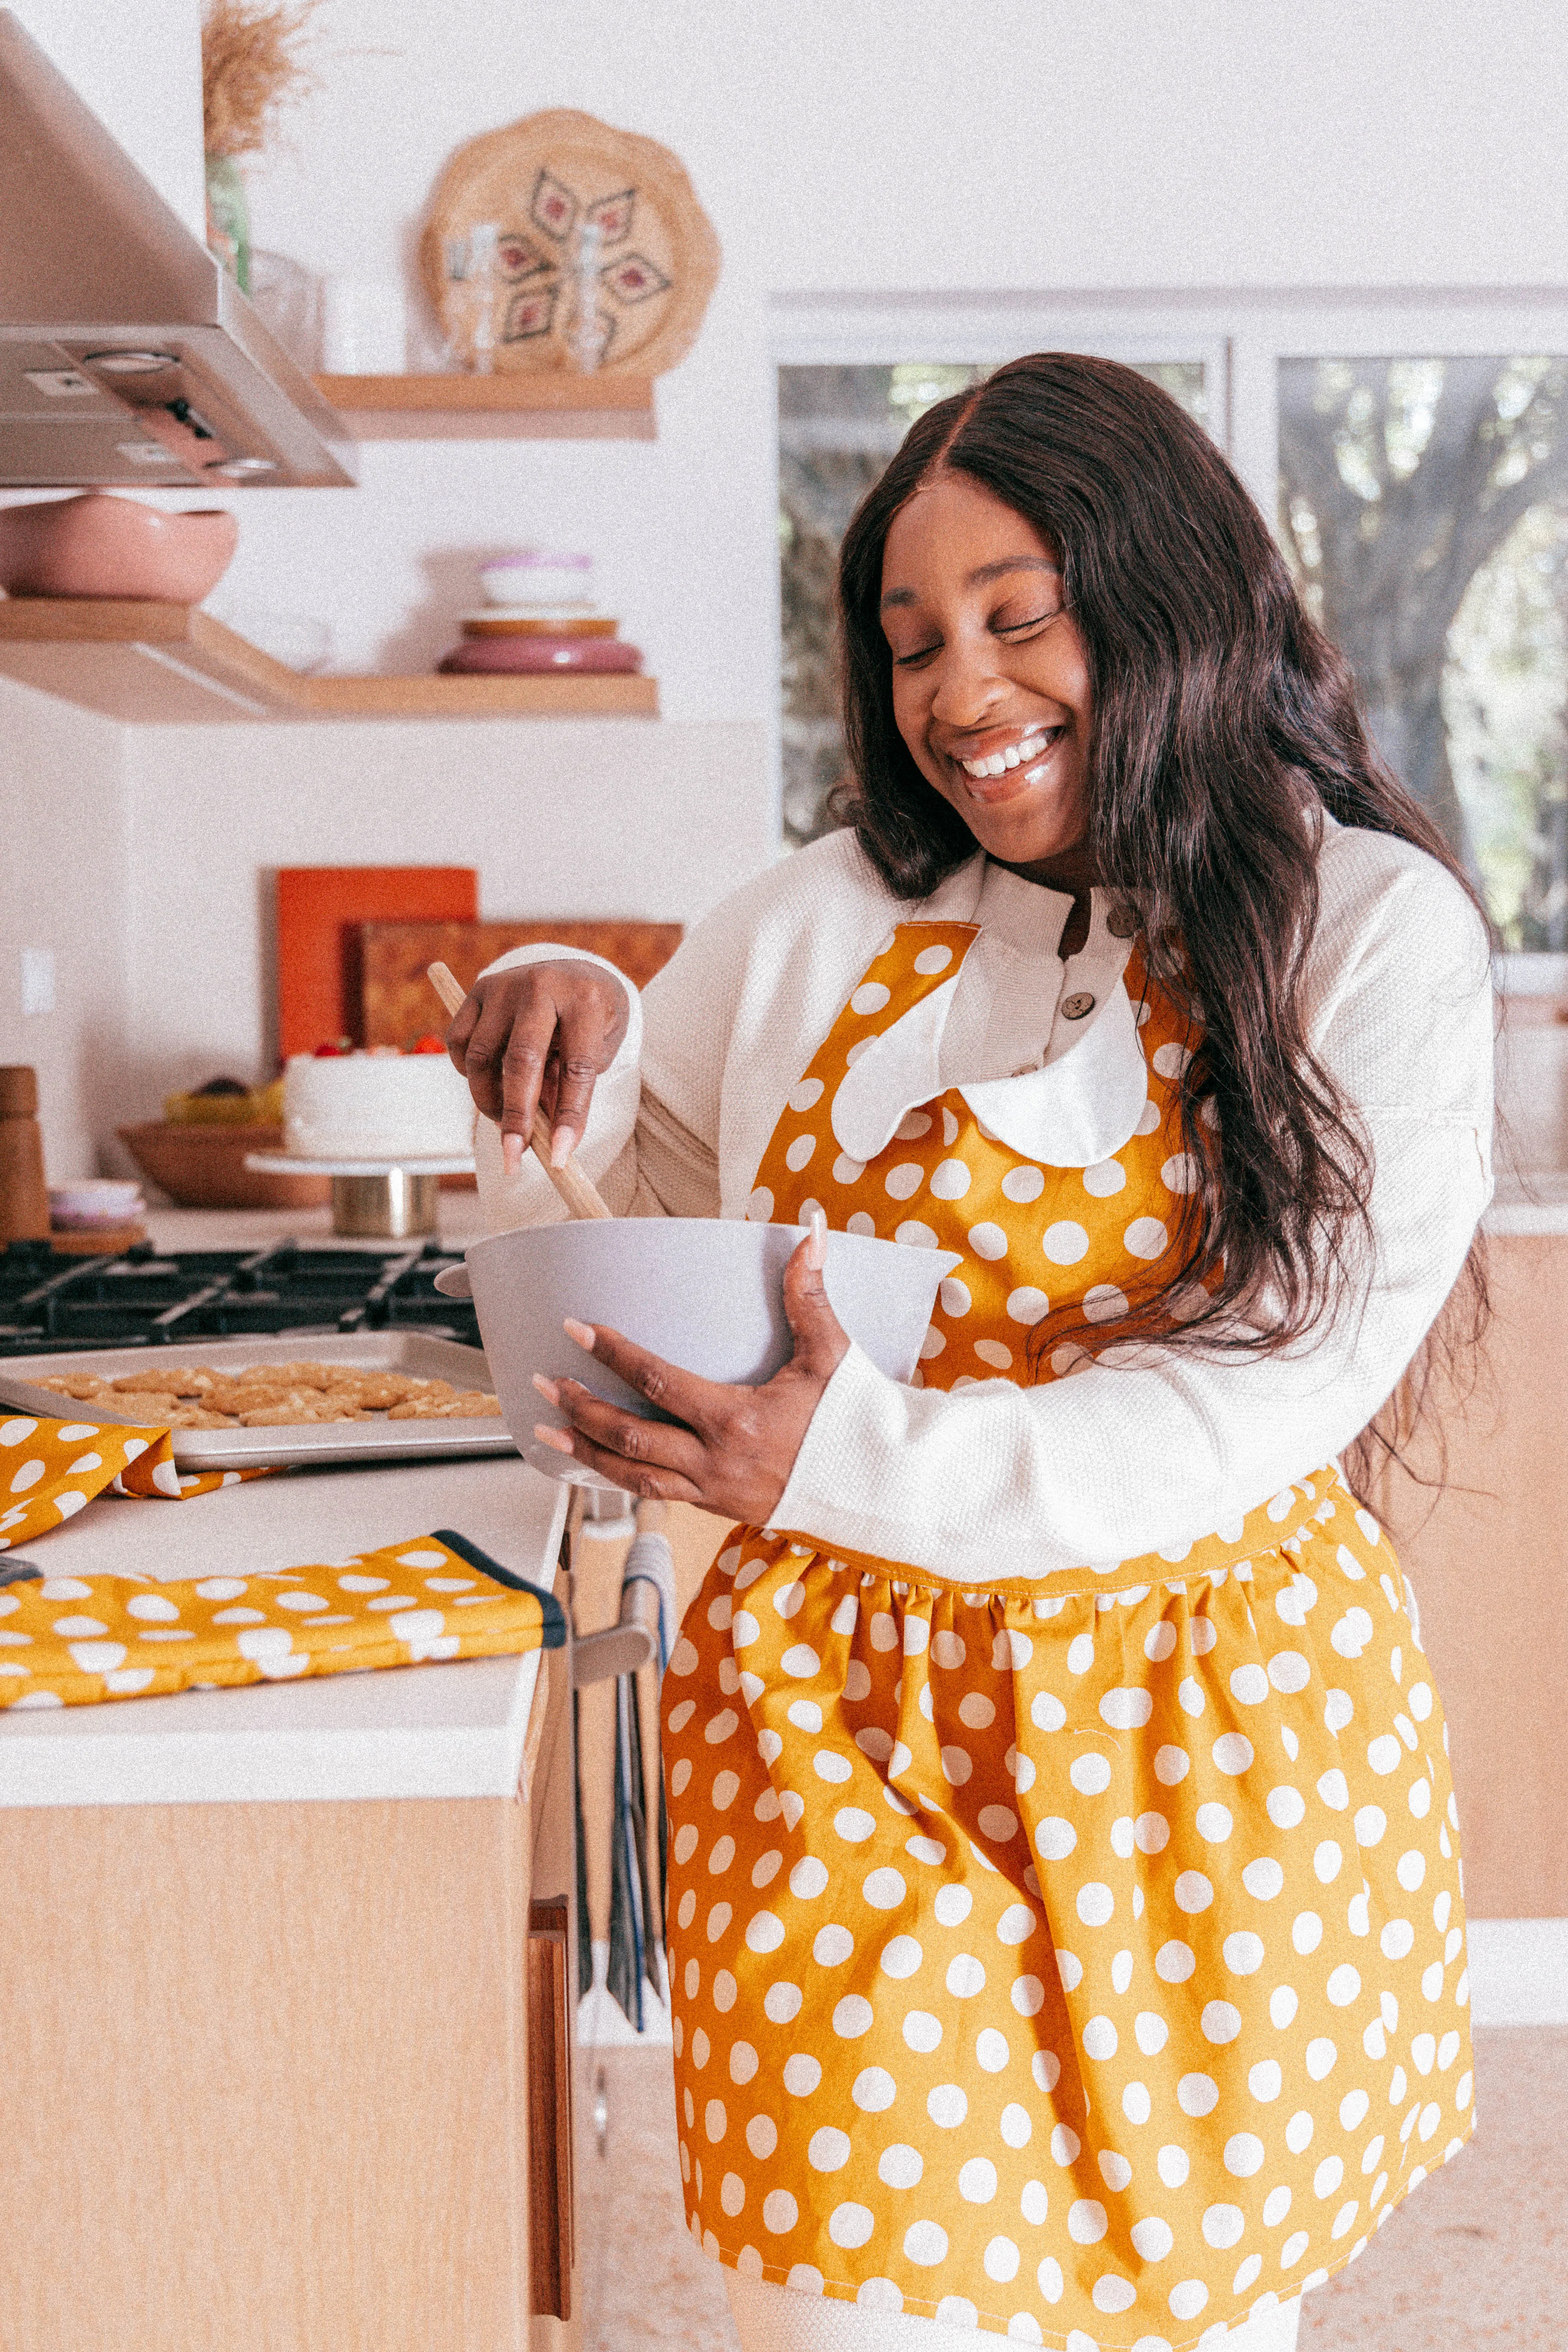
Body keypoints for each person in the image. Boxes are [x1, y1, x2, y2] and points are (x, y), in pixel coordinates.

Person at [448, 353, 1493, 2352]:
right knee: (863, 2311)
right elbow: (622, 1271)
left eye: (1021, 617)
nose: (957, 691)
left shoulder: (1367, 929)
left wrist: (841, 1460)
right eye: (915, 638)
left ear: (1176, 597)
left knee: (1188, 2307)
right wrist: (562, 1045)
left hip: (1207, 1731)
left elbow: (1270, 1388)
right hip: (847, 1725)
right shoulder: (809, 921)